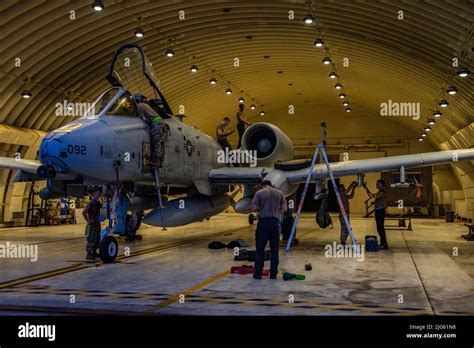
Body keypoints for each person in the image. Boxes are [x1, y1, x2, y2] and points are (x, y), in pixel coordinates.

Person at [251, 180, 288, 280]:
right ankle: (273, 275)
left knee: (260, 249)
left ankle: (258, 274)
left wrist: (261, 209)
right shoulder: (279, 193)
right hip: (275, 223)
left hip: (263, 223)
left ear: (262, 186)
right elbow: (284, 209)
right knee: (274, 249)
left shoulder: (259, 193)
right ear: (270, 185)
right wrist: (276, 210)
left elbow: (253, 208)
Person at [135, 94, 168, 168]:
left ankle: (156, 162)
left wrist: (146, 122)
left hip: (156, 123)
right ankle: (158, 160)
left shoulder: (139, 106)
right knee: (158, 141)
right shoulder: (145, 105)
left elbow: (143, 118)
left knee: (155, 140)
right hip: (160, 121)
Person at [364, 179, 389, 249]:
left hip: (380, 212)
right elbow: (373, 196)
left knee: (380, 228)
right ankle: (383, 243)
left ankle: (384, 244)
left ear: (381, 185)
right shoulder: (380, 192)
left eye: (377, 183)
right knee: (379, 228)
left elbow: (372, 196)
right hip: (378, 211)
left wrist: (366, 188)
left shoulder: (382, 192)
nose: (376, 185)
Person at [82, 186, 103, 260]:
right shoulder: (91, 203)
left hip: (97, 223)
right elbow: (84, 212)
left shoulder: (98, 203)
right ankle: (89, 254)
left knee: (97, 238)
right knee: (91, 238)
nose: (100, 194)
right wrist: (88, 220)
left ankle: (94, 252)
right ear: (94, 193)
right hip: (92, 224)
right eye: (98, 192)